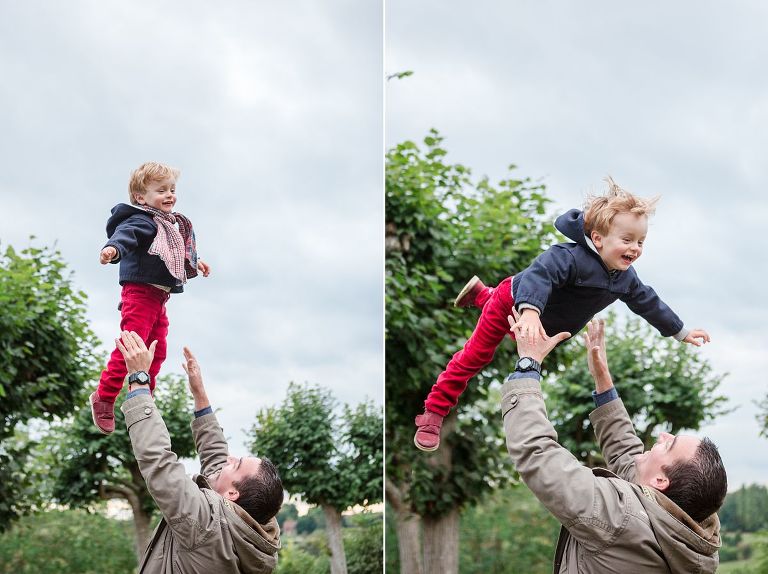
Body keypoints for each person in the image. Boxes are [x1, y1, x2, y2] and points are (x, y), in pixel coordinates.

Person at [415, 178, 710, 451]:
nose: (635, 248)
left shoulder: (625, 278)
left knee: (517, 334)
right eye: (627, 239)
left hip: (541, 327)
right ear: (598, 238)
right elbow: (539, 276)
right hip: (513, 304)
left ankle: (481, 294)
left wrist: (680, 331)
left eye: (640, 242)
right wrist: (529, 311)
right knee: (476, 355)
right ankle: (435, 409)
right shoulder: (567, 257)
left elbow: (648, 302)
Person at [501, 313, 726, 572]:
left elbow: (538, 453)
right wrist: (602, 379)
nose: (663, 436)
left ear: (661, 482)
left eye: (669, 445)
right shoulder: (684, 529)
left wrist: (528, 365)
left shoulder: (619, 517)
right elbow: (627, 457)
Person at [116, 330, 283, 573]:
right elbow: (216, 459)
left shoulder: (206, 526)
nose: (229, 458)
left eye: (235, 465)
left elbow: (159, 463)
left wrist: (139, 380)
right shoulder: (252, 524)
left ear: (233, 493)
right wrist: (200, 395)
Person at [90, 161, 211, 434]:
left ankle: (144, 395)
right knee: (132, 348)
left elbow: (171, 252)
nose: (169, 195)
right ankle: (104, 397)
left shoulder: (169, 225)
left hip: (159, 297)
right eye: (161, 191)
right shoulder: (141, 220)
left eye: (172, 189)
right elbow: (126, 236)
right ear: (141, 197)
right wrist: (112, 249)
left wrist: (197, 261)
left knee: (158, 350)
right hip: (140, 294)